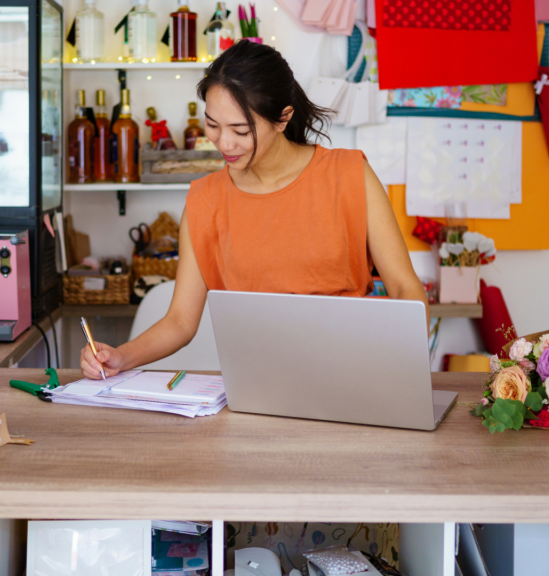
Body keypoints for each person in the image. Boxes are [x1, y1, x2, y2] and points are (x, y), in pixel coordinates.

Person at [80, 41, 428, 380]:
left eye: (241, 130)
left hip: (353, 375)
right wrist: (121, 357)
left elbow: (403, 288)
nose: (224, 144)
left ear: (282, 119)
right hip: (257, 385)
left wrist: (401, 374)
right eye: (213, 125)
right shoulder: (205, 199)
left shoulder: (350, 175)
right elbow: (181, 322)